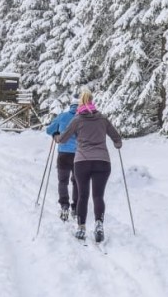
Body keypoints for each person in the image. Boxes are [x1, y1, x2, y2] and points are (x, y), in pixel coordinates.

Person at [55, 87, 122, 243]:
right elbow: (116, 138)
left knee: (83, 196)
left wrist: (57, 137)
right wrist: (117, 144)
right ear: (92, 102)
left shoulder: (77, 119)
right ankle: (99, 224)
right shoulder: (103, 119)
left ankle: (81, 228)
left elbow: (64, 138)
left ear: (80, 104)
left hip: (82, 162)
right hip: (102, 162)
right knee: (98, 196)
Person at [45, 93, 79, 222]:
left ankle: (64, 206)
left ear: (71, 105)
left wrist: (56, 133)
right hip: (79, 155)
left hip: (64, 154)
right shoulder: (84, 118)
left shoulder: (63, 116)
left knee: (63, 181)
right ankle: (75, 207)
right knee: (77, 182)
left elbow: (49, 130)